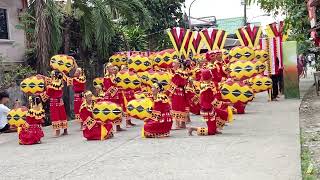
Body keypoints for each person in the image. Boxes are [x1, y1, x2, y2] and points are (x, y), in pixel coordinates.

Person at [188, 70, 230, 136]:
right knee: (211, 132)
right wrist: (224, 103)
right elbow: (211, 100)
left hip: (210, 107)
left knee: (224, 114)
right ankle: (193, 129)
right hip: (207, 110)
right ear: (209, 77)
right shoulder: (207, 88)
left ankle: (215, 128)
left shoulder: (206, 84)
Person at [40, 70, 68, 137]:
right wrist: (42, 76)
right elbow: (48, 79)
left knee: (56, 116)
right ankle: (65, 130)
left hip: (54, 102)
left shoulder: (51, 85)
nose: (51, 76)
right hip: (60, 101)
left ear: (54, 76)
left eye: (52, 74)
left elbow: (48, 94)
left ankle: (57, 132)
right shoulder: (60, 82)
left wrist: (41, 94)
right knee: (62, 115)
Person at [103, 63, 125, 131]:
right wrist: (116, 89)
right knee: (111, 111)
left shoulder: (114, 76)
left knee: (117, 110)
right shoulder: (106, 77)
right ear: (107, 69)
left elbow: (116, 84)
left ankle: (118, 126)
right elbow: (108, 88)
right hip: (110, 97)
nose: (112, 69)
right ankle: (111, 127)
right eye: (110, 68)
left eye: (112, 67)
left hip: (116, 96)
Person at [168, 59, 188, 129]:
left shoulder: (177, 73)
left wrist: (169, 93)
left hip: (176, 91)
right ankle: (182, 123)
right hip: (182, 90)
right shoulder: (183, 72)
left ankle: (177, 124)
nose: (174, 64)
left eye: (175, 63)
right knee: (181, 106)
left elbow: (174, 83)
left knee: (176, 106)